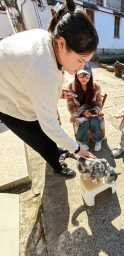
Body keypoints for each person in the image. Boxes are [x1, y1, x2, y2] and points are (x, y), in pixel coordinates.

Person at [0, 0, 98, 178]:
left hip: (13, 80)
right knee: (39, 137)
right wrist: (77, 149)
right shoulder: (43, 70)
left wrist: (57, 92)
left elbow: (33, 79)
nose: (81, 68)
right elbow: (49, 124)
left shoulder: (46, 37)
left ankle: (59, 150)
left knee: (48, 130)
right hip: (7, 101)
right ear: (61, 44)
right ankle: (57, 165)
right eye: (80, 61)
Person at [64, 64, 103, 151]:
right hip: (78, 111)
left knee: (94, 121)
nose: (84, 79)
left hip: (92, 110)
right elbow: (70, 105)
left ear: (90, 76)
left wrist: (95, 111)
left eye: (87, 76)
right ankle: (81, 141)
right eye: (81, 75)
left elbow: (99, 103)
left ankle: (98, 140)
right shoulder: (71, 87)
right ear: (77, 75)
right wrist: (82, 113)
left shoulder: (96, 87)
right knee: (84, 123)